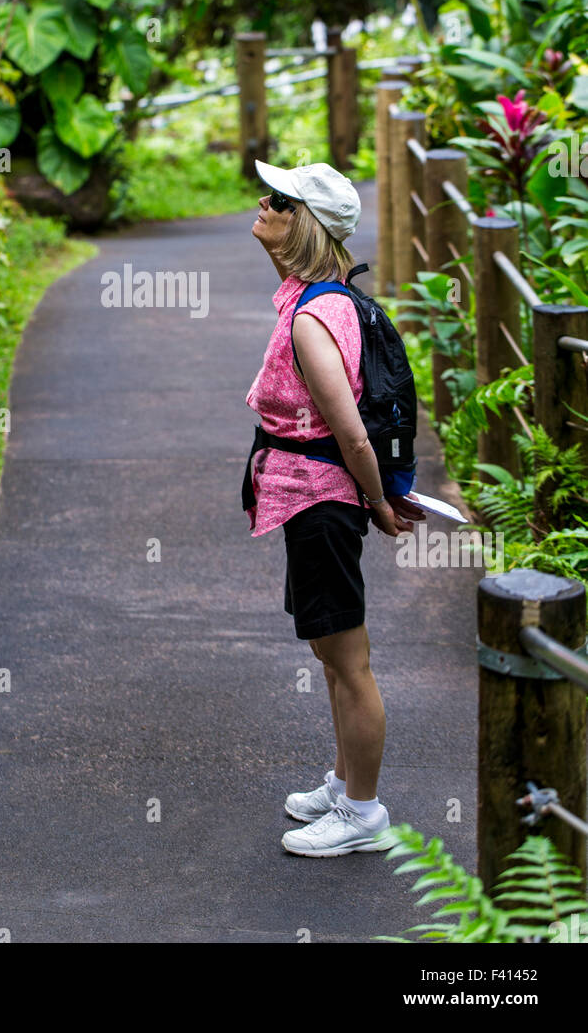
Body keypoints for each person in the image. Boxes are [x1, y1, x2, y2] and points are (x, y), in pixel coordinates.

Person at [244, 158, 424, 857]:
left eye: (279, 200)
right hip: (308, 498)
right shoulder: (313, 292)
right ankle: (345, 779)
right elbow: (293, 268)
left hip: (324, 501)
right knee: (327, 648)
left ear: (307, 223)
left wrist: (378, 502)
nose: (263, 203)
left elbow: (349, 430)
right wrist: (276, 236)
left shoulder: (316, 318)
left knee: (349, 660)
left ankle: (363, 812)